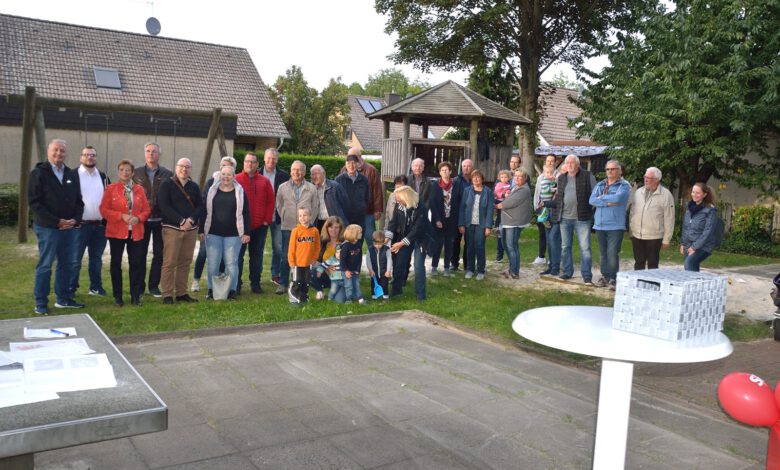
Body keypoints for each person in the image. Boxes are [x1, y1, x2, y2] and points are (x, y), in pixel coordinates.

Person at [29, 139, 85, 314]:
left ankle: (63, 299)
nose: (59, 154)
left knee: (66, 264)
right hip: (48, 228)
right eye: (55, 150)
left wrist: (75, 219)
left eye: (62, 151)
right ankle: (40, 303)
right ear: (48, 151)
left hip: (69, 228)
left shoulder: (70, 174)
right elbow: (34, 203)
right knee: (45, 265)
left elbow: (79, 202)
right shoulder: (39, 173)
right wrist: (56, 221)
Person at [100, 160, 150, 306]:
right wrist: (121, 216)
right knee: (115, 264)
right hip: (116, 232)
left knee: (136, 264)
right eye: (122, 170)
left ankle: (135, 296)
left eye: (128, 170)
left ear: (132, 173)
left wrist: (138, 218)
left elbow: (147, 210)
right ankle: (118, 296)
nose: (125, 172)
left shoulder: (139, 189)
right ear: (118, 172)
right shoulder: (110, 189)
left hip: (136, 232)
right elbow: (103, 210)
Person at [157, 157, 203, 304]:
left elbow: (200, 207)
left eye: (187, 167)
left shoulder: (194, 186)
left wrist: (190, 220)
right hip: (172, 229)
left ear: (190, 169)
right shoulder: (166, 184)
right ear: (176, 168)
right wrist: (181, 221)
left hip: (190, 230)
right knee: (169, 262)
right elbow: (164, 206)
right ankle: (167, 294)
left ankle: (182, 293)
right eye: (181, 166)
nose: (184, 169)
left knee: (185, 262)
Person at [201, 165, 250, 300]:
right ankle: (212, 290)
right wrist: (201, 230)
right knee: (213, 264)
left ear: (234, 176)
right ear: (219, 175)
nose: (226, 177)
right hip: (213, 233)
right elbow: (204, 211)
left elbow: (246, 212)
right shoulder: (212, 191)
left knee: (231, 264)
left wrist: (246, 232)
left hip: (234, 234)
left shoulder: (240, 192)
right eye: (223, 174)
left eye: (229, 174)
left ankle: (232, 290)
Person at [275, 160, 320, 295]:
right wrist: (284, 216)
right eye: (294, 169)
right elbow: (279, 205)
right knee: (285, 255)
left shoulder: (311, 188)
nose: (296, 172)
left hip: (305, 228)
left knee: (304, 255)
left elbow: (315, 206)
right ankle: (282, 283)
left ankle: (303, 281)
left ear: (304, 172)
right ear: (290, 171)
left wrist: (307, 222)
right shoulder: (282, 187)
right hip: (288, 226)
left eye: (299, 170)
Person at [134, 142, 173, 297]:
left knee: (159, 254)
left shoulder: (167, 174)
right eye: (148, 151)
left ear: (159, 154)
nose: (151, 154)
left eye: (154, 151)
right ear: (144, 153)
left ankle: (154, 286)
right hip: (142, 221)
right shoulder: (135, 173)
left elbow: (171, 196)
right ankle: (140, 286)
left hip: (160, 221)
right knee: (140, 254)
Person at [192, 156, 236, 292]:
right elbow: (203, 203)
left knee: (224, 255)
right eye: (222, 165)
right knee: (204, 253)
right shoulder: (211, 182)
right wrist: (201, 228)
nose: (224, 168)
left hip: (228, 229)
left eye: (228, 166)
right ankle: (196, 280)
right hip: (209, 227)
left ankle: (220, 280)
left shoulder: (236, 186)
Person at [551, 154, 596, 285]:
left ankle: (587, 276)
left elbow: (595, 194)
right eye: (567, 162)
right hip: (564, 218)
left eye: (572, 162)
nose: (569, 165)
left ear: (577, 164)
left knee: (585, 248)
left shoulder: (587, 176)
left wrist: (589, 211)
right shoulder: (562, 178)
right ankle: (567, 272)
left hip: (582, 218)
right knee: (565, 247)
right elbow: (559, 198)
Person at [71, 145, 110, 297]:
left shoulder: (103, 177)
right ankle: (71, 288)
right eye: (86, 155)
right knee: (75, 259)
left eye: (93, 155)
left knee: (96, 259)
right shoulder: (72, 175)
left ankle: (96, 287)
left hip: (99, 226)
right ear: (81, 157)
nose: (90, 157)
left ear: (96, 158)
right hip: (80, 226)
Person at [235, 152, 274, 294]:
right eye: (247, 161)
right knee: (238, 256)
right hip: (240, 227)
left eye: (253, 162)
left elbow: (271, 201)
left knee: (256, 256)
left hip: (259, 226)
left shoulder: (264, 181)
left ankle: (255, 283)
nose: (249, 164)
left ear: (257, 164)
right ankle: (236, 284)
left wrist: (267, 220)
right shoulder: (236, 179)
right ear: (243, 163)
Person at [589, 160, 631, 289]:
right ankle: (605, 277)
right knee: (603, 253)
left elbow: (618, 199)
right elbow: (591, 200)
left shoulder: (624, 185)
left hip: (615, 225)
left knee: (612, 253)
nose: (610, 171)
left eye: (613, 169)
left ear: (619, 171)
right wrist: (607, 202)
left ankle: (613, 278)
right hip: (600, 225)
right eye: (608, 169)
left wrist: (601, 198)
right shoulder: (601, 184)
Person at [387, 185, 431, 300]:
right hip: (404, 236)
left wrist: (401, 243)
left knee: (418, 266)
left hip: (421, 239)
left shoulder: (421, 207)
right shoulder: (399, 205)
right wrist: (387, 237)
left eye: (399, 199)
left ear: (406, 198)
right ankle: (396, 293)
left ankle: (421, 296)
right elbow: (393, 222)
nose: (397, 201)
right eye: (396, 199)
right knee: (399, 264)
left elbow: (417, 229)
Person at [628, 167, 675, 270]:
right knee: (638, 262)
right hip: (637, 235)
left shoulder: (666, 195)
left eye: (649, 177)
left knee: (652, 264)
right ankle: (639, 284)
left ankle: (652, 285)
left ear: (657, 179)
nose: (646, 179)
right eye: (645, 177)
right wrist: (631, 230)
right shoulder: (638, 192)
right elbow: (632, 212)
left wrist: (666, 239)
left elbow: (669, 218)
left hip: (654, 236)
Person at [341, 147, 384, 247]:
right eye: (349, 157)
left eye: (354, 157)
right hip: (350, 212)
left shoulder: (371, 170)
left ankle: (373, 260)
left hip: (368, 212)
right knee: (352, 238)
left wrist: (377, 210)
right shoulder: (344, 170)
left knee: (370, 238)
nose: (351, 160)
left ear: (360, 157)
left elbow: (377, 191)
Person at [260, 147, 289, 288]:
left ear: (277, 160)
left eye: (274, 158)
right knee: (257, 248)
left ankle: (275, 274)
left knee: (278, 247)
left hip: (277, 217)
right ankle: (256, 275)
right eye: (269, 158)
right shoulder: (257, 173)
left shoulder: (283, 176)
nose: (271, 160)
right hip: (260, 217)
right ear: (264, 158)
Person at [496, 170, 533, 279]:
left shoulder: (524, 190)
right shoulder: (516, 187)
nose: (517, 178)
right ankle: (511, 268)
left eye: (520, 176)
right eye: (516, 176)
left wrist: (498, 205)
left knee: (512, 246)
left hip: (514, 222)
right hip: (507, 220)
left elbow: (510, 202)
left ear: (525, 178)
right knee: (506, 245)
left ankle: (514, 272)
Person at [458, 169, 494, 281]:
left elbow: (489, 210)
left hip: (481, 224)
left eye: (478, 177)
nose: (476, 179)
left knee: (480, 247)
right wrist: (461, 224)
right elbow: (462, 208)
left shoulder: (488, 192)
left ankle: (481, 270)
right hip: (469, 223)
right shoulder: (467, 191)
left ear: (482, 179)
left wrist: (488, 226)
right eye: (474, 177)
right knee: (469, 247)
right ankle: (469, 269)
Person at [428, 161, 461, 277]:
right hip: (439, 220)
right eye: (442, 170)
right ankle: (434, 267)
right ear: (440, 172)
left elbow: (459, 202)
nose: (444, 172)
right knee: (438, 244)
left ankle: (447, 267)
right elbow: (432, 203)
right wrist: (437, 219)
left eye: (446, 170)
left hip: (451, 220)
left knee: (449, 244)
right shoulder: (435, 185)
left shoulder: (456, 185)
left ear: (451, 172)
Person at [680, 183, 719, 272]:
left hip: (703, 246)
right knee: (692, 268)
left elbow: (708, 232)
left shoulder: (710, 210)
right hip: (688, 244)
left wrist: (694, 247)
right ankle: (696, 285)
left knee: (689, 263)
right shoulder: (689, 207)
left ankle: (691, 284)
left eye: (698, 193)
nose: (694, 195)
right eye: (693, 192)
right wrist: (683, 243)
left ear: (704, 194)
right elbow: (685, 227)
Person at [287, 207, 320, 304]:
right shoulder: (295, 231)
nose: (302, 218)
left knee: (306, 282)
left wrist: (314, 259)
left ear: (310, 216)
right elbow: (291, 248)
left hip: (308, 263)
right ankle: (293, 296)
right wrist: (292, 262)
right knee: (297, 282)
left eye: (305, 215)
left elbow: (317, 247)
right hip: (297, 263)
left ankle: (303, 297)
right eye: (300, 215)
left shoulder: (315, 231)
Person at [312, 216, 345, 302]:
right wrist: (326, 267)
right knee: (312, 270)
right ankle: (320, 291)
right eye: (330, 227)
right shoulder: (323, 242)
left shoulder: (344, 243)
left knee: (339, 301)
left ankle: (342, 290)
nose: (333, 230)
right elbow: (317, 261)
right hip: (325, 274)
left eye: (336, 227)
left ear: (340, 228)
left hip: (339, 277)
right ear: (326, 228)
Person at [335, 154, 370, 234]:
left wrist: (362, 207)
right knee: (345, 243)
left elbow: (367, 197)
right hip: (344, 218)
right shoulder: (339, 180)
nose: (351, 166)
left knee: (358, 242)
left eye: (353, 163)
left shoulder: (364, 180)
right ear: (345, 165)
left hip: (359, 218)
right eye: (348, 163)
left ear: (358, 164)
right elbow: (336, 199)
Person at [535, 163, 559, 275]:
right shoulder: (544, 181)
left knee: (551, 238)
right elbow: (549, 189)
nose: (549, 175)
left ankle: (553, 265)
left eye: (551, 172)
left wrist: (555, 181)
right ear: (544, 173)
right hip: (545, 205)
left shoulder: (551, 179)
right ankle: (552, 265)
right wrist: (555, 186)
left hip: (549, 206)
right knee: (544, 217)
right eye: (547, 173)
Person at [310, 164, 348, 231]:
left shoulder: (335, 187)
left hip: (333, 223)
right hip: (318, 224)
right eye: (312, 174)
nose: (314, 177)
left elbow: (346, 205)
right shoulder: (311, 189)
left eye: (316, 174)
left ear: (324, 174)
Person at [451, 158, 473, 271]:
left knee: (469, 241)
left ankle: (467, 264)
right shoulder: (455, 180)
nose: (466, 168)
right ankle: (454, 263)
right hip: (456, 214)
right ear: (461, 167)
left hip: (470, 215)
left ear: (472, 168)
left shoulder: (475, 180)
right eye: (464, 166)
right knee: (455, 240)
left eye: (468, 166)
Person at [340, 224, 365, 304]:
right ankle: (349, 299)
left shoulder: (358, 245)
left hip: (355, 270)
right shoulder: (345, 246)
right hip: (346, 270)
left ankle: (359, 298)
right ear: (354, 234)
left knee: (356, 284)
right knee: (348, 285)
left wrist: (358, 269)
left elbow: (359, 259)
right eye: (360, 232)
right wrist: (346, 271)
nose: (361, 234)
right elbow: (342, 260)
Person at [365, 231, 392, 300]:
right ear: (373, 242)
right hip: (374, 272)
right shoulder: (370, 249)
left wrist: (388, 271)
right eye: (375, 244)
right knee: (374, 284)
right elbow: (368, 261)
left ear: (383, 242)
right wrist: (370, 270)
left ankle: (385, 297)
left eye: (380, 244)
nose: (377, 246)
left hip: (384, 272)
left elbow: (389, 260)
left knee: (384, 284)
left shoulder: (386, 249)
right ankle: (374, 296)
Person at [493, 169, 512, 262]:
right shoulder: (498, 184)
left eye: (505, 177)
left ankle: (507, 254)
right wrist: (504, 194)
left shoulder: (510, 185)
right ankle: (499, 255)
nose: (504, 179)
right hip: (499, 203)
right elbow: (496, 193)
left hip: (507, 208)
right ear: (499, 178)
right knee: (499, 232)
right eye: (502, 177)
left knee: (507, 235)